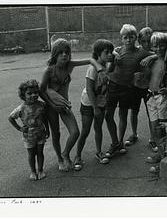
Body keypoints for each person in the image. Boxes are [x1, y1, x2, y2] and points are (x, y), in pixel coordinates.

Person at [39, 38, 105, 171]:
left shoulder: (69, 65)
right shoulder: (49, 71)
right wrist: (52, 105)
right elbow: (41, 90)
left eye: (67, 52)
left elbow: (90, 60)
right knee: (56, 133)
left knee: (75, 132)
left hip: (64, 106)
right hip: (51, 106)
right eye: (60, 52)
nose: (64, 55)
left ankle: (65, 153)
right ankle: (60, 159)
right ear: (54, 54)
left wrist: (98, 68)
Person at [105, 24, 158, 158]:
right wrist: (115, 53)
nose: (128, 40)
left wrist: (150, 57)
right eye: (125, 37)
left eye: (131, 37)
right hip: (114, 86)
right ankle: (118, 142)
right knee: (114, 115)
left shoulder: (141, 52)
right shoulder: (118, 49)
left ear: (135, 38)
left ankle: (122, 142)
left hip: (128, 88)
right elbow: (109, 51)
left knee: (126, 114)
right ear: (122, 38)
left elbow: (158, 54)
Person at [73, 39, 115, 171]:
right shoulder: (92, 68)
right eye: (106, 52)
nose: (110, 54)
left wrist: (114, 59)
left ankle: (98, 152)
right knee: (85, 131)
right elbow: (89, 89)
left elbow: (111, 70)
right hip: (88, 104)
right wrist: (95, 108)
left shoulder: (106, 66)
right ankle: (77, 156)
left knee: (98, 128)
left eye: (111, 52)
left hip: (101, 103)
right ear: (98, 53)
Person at [145, 32, 167, 165]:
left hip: (163, 98)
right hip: (150, 97)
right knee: (153, 128)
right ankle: (161, 152)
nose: (158, 49)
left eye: (162, 46)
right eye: (155, 46)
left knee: (160, 128)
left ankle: (162, 154)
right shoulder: (151, 61)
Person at [8, 79, 50, 181]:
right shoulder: (21, 108)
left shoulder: (42, 105)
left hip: (41, 133)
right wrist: (20, 128)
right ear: (23, 95)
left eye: (35, 92)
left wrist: (47, 130)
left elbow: (45, 119)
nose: (33, 95)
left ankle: (40, 170)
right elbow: (11, 117)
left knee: (40, 152)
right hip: (29, 136)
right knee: (31, 154)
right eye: (29, 93)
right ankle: (33, 171)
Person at [125, 27, 154, 147]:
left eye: (149, 41)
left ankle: (153, 138)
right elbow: (119, 50)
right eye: (144, 41)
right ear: (139, 41)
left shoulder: (156, 53)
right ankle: (134, 133)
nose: (147, 44)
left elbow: (164, 55)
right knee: (134, 111)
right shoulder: (136, 52)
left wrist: (151, 57)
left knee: (151, 114)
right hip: (135, 87)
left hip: (150, 87)